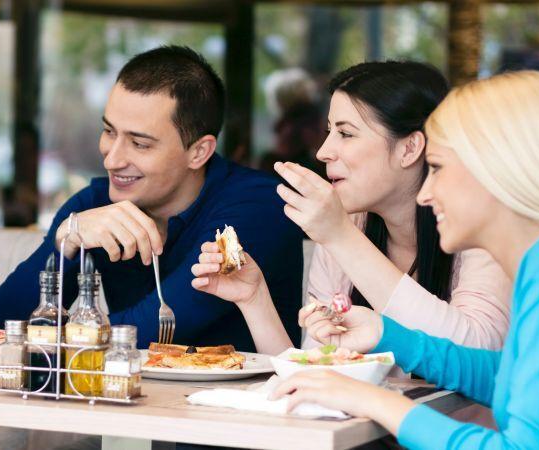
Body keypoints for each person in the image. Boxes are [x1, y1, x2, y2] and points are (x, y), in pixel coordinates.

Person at [272, 70, 539, 449]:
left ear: (496, 169)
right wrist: (387, 335)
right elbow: (505, 376)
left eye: (436, 167)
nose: (425, 193)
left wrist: (377, 402)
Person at [0, 46, 304, 350]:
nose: (112, 159)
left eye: (139, 144)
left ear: (198, 152)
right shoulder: (94, 206)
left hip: (243, 390)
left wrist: (46, 338)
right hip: (124, 387)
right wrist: (64, 242)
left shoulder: (257, 205)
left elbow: (157, 326)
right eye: (109, 132)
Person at [192, 61, 510, 355]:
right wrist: (254, 298)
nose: (323, 152)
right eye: (329, 131)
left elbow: (478, 353)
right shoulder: (348, 227)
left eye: (345, 133)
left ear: (409, 148)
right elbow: (318, 367)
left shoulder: (479, 224)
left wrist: (340, 236)